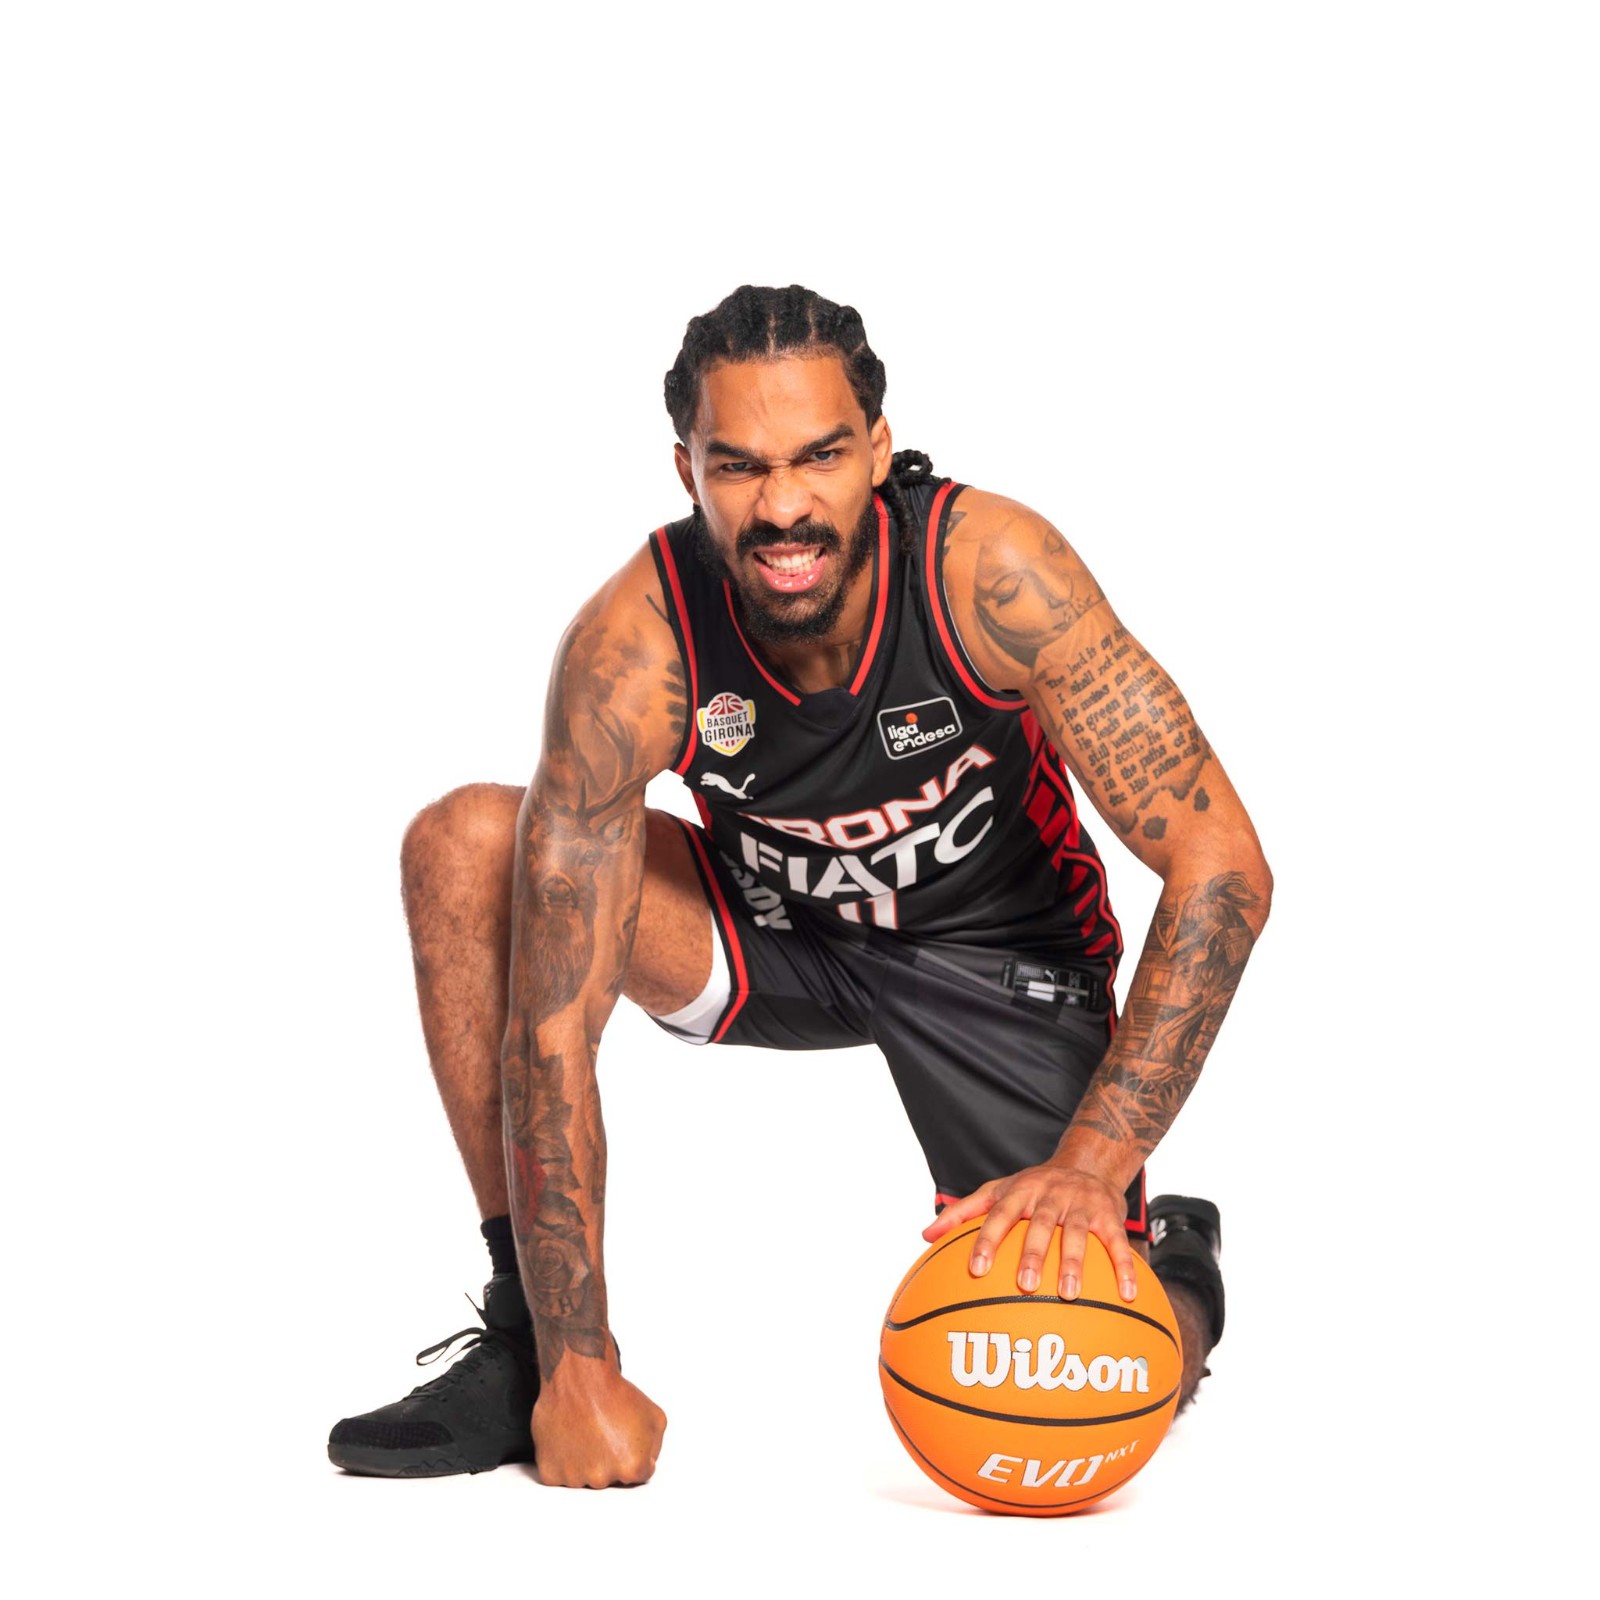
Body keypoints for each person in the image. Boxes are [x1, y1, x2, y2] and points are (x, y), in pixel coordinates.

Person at [328, 285, 1273, 1488]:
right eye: (739, 465)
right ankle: (523, 1344)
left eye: (819, 456)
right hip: (775, 923)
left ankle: (1178, 1267)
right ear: (687, 470)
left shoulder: (992, 572)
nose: (782, 506)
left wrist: (1091, 1161)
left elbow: (1221, 865)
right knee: (466, 844)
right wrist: (578, 1358)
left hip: (999, 958)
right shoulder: (636, 644)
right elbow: (552, 1022)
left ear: (876, 448)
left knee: (1091, 1373)